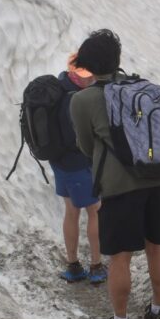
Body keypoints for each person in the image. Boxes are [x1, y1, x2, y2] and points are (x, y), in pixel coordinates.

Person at [69, 29, 160, 319]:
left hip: (121, 185)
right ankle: (159, 308)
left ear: (87, 64)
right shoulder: (143, 88)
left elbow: (87, 147)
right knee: (156, 245)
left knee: (120, 256)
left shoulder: (84, 99)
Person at [52, 53, 106, 285]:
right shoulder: (75, 99)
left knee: (71, 209)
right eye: (87, 75)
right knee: (94, 210)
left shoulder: (57, 89)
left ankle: (73, 264)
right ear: (75, 73)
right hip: (77, 164)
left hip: (59, 161)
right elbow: (84, 136)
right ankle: (95, 266)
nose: (90, 78)